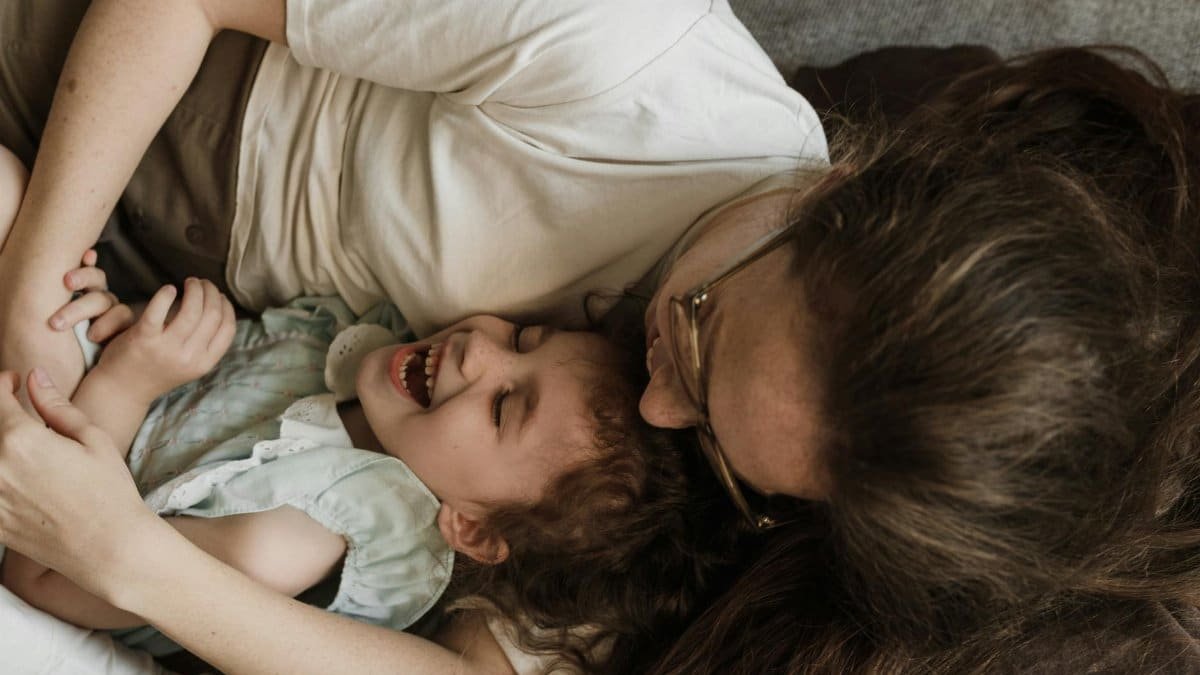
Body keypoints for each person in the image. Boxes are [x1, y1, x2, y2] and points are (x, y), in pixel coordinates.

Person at [0, 244, 733, 673]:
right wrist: (146, 332)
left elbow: (44, 568)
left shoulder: (306, 536)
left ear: (472, 529)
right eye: (523, 340)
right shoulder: (364, 350)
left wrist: (129, 377)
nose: (479, 349)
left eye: (503, 406)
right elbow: (192, 408)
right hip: (92, 404)